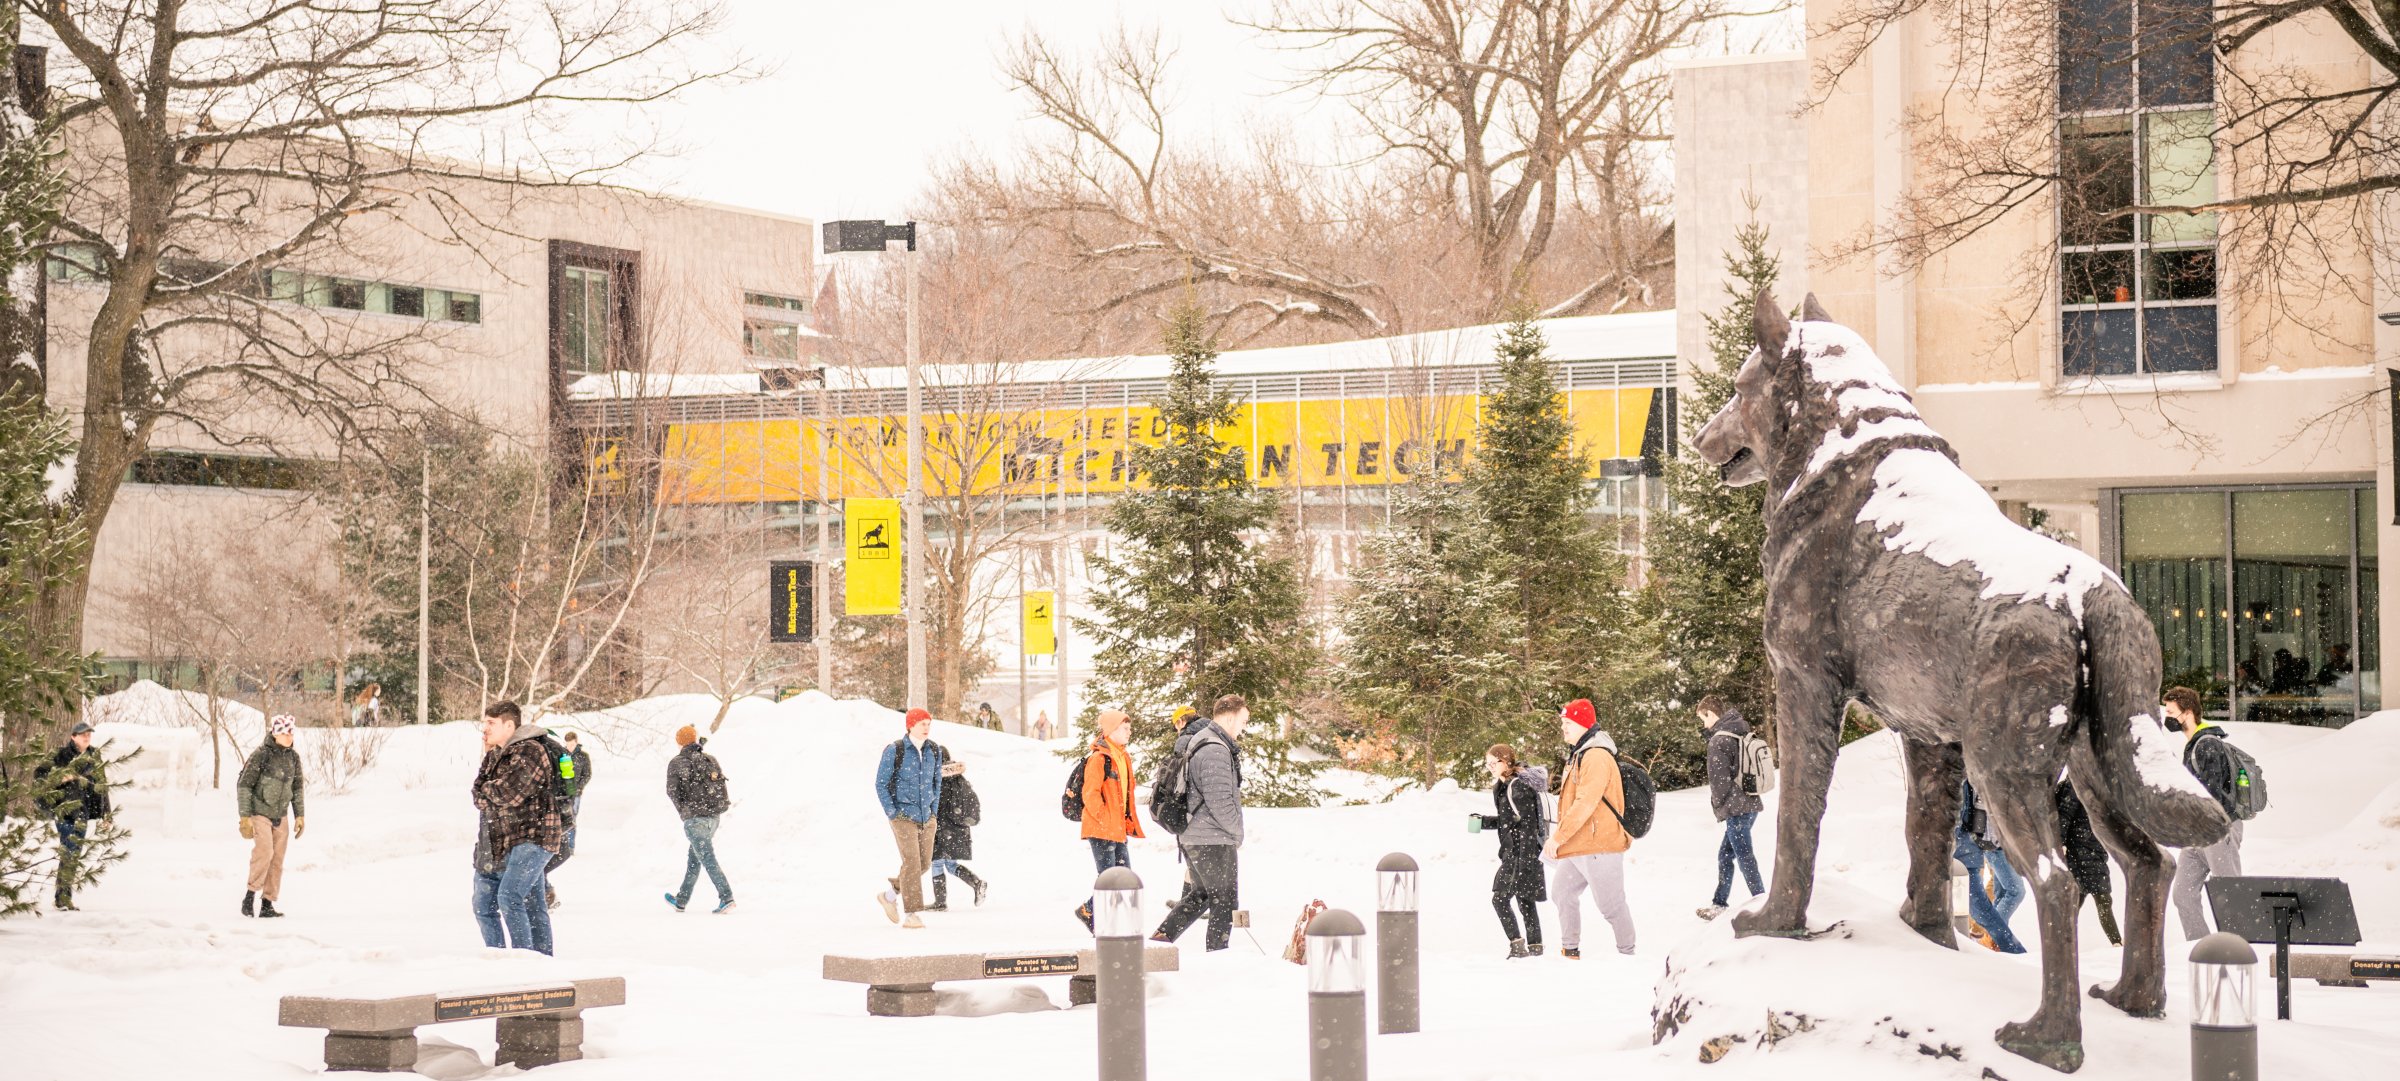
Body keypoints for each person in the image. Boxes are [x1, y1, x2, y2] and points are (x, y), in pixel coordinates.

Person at [1152, 694, 1248, 952]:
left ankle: (1159, 942)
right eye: (1242, 720)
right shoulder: (1215, 748)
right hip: (1212, 838)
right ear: (1229, 717)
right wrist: (1237, 832)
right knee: (1224, 901)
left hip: (1196, 835)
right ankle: (1218, 954)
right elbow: (1220, 801)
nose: (1243, 727)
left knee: (1201, 895)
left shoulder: (1204, 740)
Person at [470, 701, 561, 954]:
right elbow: (477, 793)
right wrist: (488, 791)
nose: (484, 729)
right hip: (505, 839)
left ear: (509, 725)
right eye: (484, 723)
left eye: (491, 723)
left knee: (510, 897)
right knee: (505, 904)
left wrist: (488, 790)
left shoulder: (530, 751)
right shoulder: (493, 756)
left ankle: (526, 963)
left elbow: (509, 793)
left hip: (535, 836)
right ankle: (506, 958)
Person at [1548, 698, 1636, 958]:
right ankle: (1570, 949)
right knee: (1562, 893)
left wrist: (1559, 837)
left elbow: (1586, 801)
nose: (1563, 728)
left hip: (1601, 844)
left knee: (1611, 906)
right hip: (1580, 842)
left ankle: (1627, 954)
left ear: (1582, 724)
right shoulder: (1580, 753)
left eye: (1567, 723)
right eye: (1563, 723)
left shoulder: (1596, 755)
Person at [2164, 686, 2246, 940]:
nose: (2166, 717)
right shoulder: (2193, 745)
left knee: (2229, 892)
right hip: (2197, 834)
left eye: (2170, 711)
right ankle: (2200, 945)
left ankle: (2238, 944)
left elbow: (2210, 796)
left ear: (2187, 713)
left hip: (2217, 830)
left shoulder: (2208, 745)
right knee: (2183, 894)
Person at [1695, 695, 1765, 920]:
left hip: (1736, 808)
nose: (1703, 724)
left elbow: (1719, 782)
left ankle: (1762, 899)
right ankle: (1719, 903)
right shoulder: (1740, 731)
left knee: (1744, 856)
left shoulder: (1718, 740)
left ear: (1711, 714)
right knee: (1726, 855)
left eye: (1703, 718)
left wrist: (1719, 807)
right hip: (1751, 802)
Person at [874, 708, 945, 928]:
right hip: (903, 816)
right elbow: (881, 784)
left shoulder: (934, 750)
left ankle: (889, 896)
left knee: (922, 864)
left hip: (927, 817)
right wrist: (892, 812)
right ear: (910, 725)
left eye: (928, 724)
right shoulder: (896, 750)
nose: (926, 728)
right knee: (912, 862)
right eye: (922, 723)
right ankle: (912, 914)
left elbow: (936, 783)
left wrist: (933, 810)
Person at [1476, 743, 1548, 958]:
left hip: (1521, 853)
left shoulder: (1517, 786)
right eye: (1487, 763)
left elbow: (1528, 824)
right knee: (1525, 900)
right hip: (1517, 851)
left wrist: (1525, 860)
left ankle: (1517, 947)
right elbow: (1509, 821)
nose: (1490, 767)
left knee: (1500, 899)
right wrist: (1483, 822)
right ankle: (1535, 950)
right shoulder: (1504, 785)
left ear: (1506, 761)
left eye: (1493, 762)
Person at [1075, 708, 1144, 930]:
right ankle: (1104, 925)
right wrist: (1104, 819)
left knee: (1123, 880)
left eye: (1129, 728)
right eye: (1125, 728)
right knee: (1110, 881)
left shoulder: (1122, 757)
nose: (1129, 732)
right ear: (1112, 730)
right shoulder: (1099, 758)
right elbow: (1090, 793)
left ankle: (1091, 911)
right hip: (1102, 829)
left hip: (1118, 829)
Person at [235, 715, 307, 918]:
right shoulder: (261, 754)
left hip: (281, 815)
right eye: (285, 732)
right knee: (264, 853)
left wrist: (300, 815)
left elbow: (297, 787)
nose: (289, 736)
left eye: (291, 732)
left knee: (277, 859)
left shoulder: (293, 758)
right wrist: (245, 816)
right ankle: (249, 897)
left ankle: (267, 904)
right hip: (260, 812)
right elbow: (244, 785)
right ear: (275, 733)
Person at [36, 721, 113, 911]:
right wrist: (61, 778)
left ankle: (63, 896)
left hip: (83, 812)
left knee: (74, 853)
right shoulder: (60, 755)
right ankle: (62, 898)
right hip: (64, 810)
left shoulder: (94, 755)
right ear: (73, 736)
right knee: (69, 850)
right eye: (82, 734)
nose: (86, 737)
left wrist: (107, 815)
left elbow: (102, 785)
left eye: (89, 734)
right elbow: (39, 775)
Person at [663, 725, 736, 914]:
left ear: (679, 742)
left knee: (708, 859)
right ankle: (681, 900)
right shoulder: (710, 759)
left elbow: (672, 791)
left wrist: (685, 811)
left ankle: (726, 897)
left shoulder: (677, 762)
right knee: (695, 859)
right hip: (713, 818)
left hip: (695, 820)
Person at [1954, 779, 2027, 954]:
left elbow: (1969, 821)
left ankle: (2014, 951)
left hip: (1968, 853)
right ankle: (1999, 947)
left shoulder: (1970, 782)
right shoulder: (1967, 781)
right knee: (1980, 906)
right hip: (1973, 850)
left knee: (1983, 907)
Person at [2054, 780, 2121, 947]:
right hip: (2078, 850)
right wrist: (2060, 843)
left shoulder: (2096, 780)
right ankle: (2062, 942)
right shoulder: (2074, 782)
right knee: (2081, 899)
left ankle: (2116, 943)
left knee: (2099, 898)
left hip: (2096, 848)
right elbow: (2065, 814)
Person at [928, 758, 986, 910]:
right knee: (950, 865)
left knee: (937, 863)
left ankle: (940, 903)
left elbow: (935, 807)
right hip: (959, 829)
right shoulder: (960, 780)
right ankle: (976, 883)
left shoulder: (939, 781)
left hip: (942, 829)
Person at [546, 731, 593, 910]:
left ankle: (569, 845)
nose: (570, 746)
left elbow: (584, 774)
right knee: (566, 819)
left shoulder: (578, 756)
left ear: (576, 742)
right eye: (568, 743)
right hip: (563, 794)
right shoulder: (561, 754)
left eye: (572, 743)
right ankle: (563, 844)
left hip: (574, 792)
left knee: (571, 819)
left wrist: (577, 788)